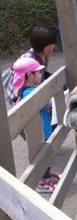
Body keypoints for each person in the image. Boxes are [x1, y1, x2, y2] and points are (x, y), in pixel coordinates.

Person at [12, 57, 60, 193]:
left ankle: (47, 176)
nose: (41, 74)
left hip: (42, 128)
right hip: (40, 131)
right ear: (30, 75)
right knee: (43, 157)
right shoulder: (30, 93)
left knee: (47, 155)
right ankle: (42, 183)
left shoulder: (28, 90)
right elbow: (45, 101)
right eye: (38, 72)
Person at [5, 25, 57, 106]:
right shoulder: (27, 59)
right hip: (19, 98)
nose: (52, 47)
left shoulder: (43, 54)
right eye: (47, 45)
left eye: (52, 43)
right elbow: (18, 85)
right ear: (40, 44)